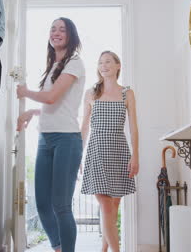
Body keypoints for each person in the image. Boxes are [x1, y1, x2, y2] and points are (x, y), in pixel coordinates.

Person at [16, 17, 85, 252]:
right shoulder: (53, 68)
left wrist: (25, 93)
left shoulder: (74, 62)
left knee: (61, 205)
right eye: (52, 29)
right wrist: (32, 112)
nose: (56, 33)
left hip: (67, 139)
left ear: (70, 35)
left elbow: (52, 97)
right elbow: (54, 104)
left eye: (61, 29)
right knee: (43, 204)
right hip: (45, 139)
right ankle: (58, 247)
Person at [80, 51, 139, 252]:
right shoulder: (91, 93)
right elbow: (84, 127)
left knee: (113, 207)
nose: (103, 66)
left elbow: (133, 128)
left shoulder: (127, 93)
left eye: (107, 62)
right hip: (96, 150)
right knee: (105, 205)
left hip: (119, 151)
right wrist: (78, 156)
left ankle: (104, 249)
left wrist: (135, 156)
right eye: (100, 63)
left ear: (118, 66)